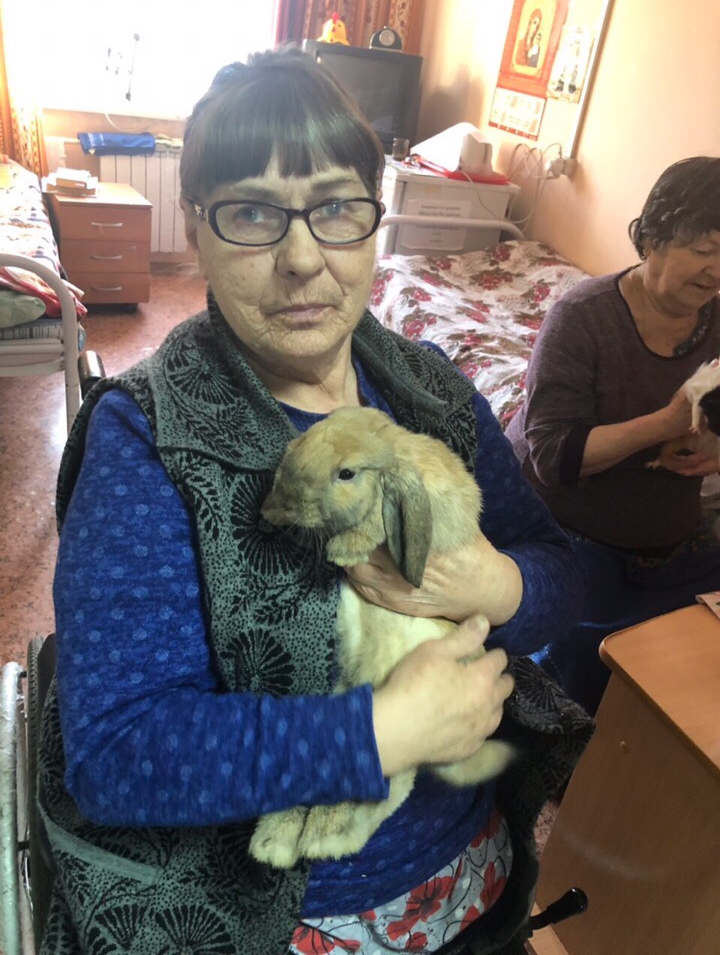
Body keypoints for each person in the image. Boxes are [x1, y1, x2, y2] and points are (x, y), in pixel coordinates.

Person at [40, 49, 589, 955]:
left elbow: (559, 572)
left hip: (480, 878)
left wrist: (498, 586)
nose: (302, 260)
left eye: (335, 208)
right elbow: (115, 751)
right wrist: (377, 732)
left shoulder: (431, 392)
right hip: (286, 915)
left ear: (375, 217)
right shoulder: (145, 445)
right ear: (197, 228)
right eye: (253, 213)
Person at [507, 156, 720, 716]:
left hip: (673, 546)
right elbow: (554, 456)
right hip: (571, 532)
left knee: (690, 676)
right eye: (705, 249)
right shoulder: (583, 317)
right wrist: (666, 423)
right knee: (579, 681)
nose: (716, 271)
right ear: (651, 238)